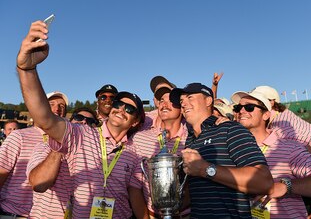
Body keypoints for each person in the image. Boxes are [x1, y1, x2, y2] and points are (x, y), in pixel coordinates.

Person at [16, 19, 148, 219]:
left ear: (136, 121)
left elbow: (135, 194)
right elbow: (44, 118)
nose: (121, 108)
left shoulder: (134, 150)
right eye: (118, 103)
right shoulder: (82, 134)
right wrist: (27, 70)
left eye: (129, 108)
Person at [169, 82, 273, 218]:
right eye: (181, 101)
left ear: (208, 101)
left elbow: (263, 181)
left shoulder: (230, 129)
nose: (183, 104)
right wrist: (170, 204)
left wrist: (205, 169)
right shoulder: (190, 141)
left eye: (190, 97)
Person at [231, 89, 311, 218]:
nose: (241, 111)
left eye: (249, 107)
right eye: (238, 107)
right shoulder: (232, 148)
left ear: (266, 114)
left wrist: (286, 186)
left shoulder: (287, 143)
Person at [0, 91, 68, 218]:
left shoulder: (67, 142)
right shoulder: (19, 136)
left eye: (62, 106)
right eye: (51, 104)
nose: (57, 109)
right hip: (15, 213)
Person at [27, 106, 99, 218]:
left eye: (91, 121)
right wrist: (60, 145)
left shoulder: (98, 157)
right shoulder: (44, 147)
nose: (84, 122)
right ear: (69, 123)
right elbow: (39, 185)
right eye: (79, 117)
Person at [133, 86, 190, 218]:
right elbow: (134, 186)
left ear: (181, 107)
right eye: (161, 100)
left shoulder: (192, 138)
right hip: (152, 215)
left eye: (170, 100)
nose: (164, 104)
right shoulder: (140, 138)